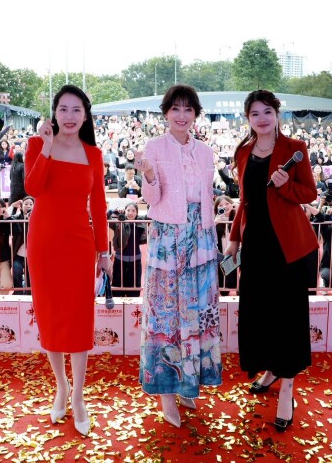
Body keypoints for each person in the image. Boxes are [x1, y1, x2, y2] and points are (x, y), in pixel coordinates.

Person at [224, 89, 318, 433]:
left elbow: (309, 193)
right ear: (247, 118)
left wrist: (285, 185)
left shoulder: (295, 148)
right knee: (260, 315)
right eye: (254, 114)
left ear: (277, 114)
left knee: (288, 318)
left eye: (267, 112)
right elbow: (245, 200)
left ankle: (287, 386)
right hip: (255, 247)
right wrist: (234, 239)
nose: (261, 119)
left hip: (288, 247)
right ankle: (272, 369)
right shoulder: (243, 151)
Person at [133, 84, 221, 429]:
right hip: (168, 239)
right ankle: (167, 392)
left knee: (197, 313)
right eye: (175, 109)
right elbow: (152, 198)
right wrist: (148, 174)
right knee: (166, 315)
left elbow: (206, 196)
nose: (182, 116)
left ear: (195, 114)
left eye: (188, 109)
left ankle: (189, 383)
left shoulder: (206, 152)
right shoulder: (154, 147)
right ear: (166, 113)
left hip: (201, 238)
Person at [25, 84, 110, 437]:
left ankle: (78, 397)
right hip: (44, 244)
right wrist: (46, 147)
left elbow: (99, 206)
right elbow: (33, 188)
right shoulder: (36, 145)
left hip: (79, 245)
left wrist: (104, 252)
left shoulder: (94, 154)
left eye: (77, 110)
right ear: (54, 113)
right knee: (51, 318)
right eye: (63, 109)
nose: (70, 116)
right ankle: (61, 386)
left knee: (77, 320)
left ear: (85, 115)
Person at [108, 202, 146, 297]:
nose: (130, 213)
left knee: (134, 293)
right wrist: (115, 210)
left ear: (137, 213)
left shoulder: (141, 223)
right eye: (128, 210)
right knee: (116, 292)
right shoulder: (118, 222)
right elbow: (105, 216)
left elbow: (151, 215)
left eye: (133, 211)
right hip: (119, 262)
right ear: (124, 211)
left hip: (136, 263)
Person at [214, 195, 238, 294]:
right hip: (222, 257)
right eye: (220, 205)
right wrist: (215, 222)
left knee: (234, 284)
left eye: (227, 203)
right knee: (224, 289)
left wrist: (237, 209)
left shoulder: (236, 217)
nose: (224, 206)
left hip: (236, 256)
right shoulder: (215, 221)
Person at [9, 196, 32, 295]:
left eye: (31, 204)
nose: (28, 206)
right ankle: (17, 291)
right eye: (26, 204)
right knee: (16, 271)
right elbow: (8, 218)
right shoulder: (17, 218)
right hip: (18, 255)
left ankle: (28, 292)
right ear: (22, 206)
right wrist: (13, 207)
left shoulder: (38, 219)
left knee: (30, 277)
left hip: (31, 256)